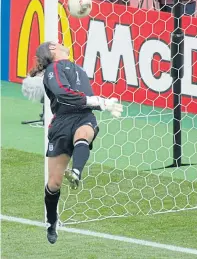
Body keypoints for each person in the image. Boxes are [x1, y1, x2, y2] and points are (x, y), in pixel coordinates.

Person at [22, 41, 123, 244]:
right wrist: (100, 102)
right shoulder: (53, 69)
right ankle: (52, 222)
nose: (61, 44)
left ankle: (76, 172)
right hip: (61, 123)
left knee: (84, 134)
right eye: (56, 43)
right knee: (54, 182)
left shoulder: (78, 69)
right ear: (52, 50)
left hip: (83, 117)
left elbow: (82, 97)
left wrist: (101, 104)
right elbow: (64, 94)